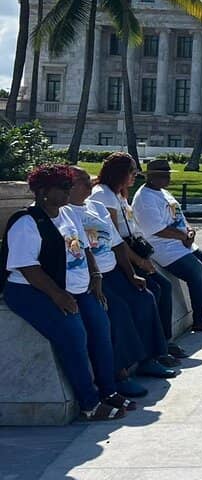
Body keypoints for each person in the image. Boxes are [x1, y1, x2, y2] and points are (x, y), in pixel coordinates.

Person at [1, 164, 131, 420]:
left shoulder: (68, 214)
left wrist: (95, 275)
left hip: (76, 287)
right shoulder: (27, 222)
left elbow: (82, 248)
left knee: (100, 327)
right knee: (73, 334)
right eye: (62, 187)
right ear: (42, 192)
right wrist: (57, 295)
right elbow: (28, 267)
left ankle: (108, 390)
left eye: (69, 184)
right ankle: (90, 404)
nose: (68, 190)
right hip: (32, 291)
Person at [66, 166, 178, 397]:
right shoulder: (65, 212)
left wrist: (131, 274)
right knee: (117, 311)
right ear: (69, 186)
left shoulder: (96, 207)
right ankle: (119, 373)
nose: (91, 185)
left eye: (90, 180)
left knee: (145, 298)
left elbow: (117, 244)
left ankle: (150, 357)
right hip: (90, 277)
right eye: (84, 182)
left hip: (113, 270)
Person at [90, 152, 188, 359]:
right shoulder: (103, 195)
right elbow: (115, 238)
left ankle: (163, 342)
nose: (135, 176)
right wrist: (139, 262)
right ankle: (153, 350)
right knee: (150, 292)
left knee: (164, 286)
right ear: (120, 173)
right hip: (121, 257)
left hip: (133, 250)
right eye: (132, 172)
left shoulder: (118, 193)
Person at [132, 160, 202, 333]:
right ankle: (200, 319)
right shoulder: (145, 198)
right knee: (195, 269)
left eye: (168, 175)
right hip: (164, 247)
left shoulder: (163, 193)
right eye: (163, 175)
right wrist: (183, 235)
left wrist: (189, 232)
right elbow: (156, 229)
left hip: (181, 242)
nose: (167, 178)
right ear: (151, 177)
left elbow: (179, 217)